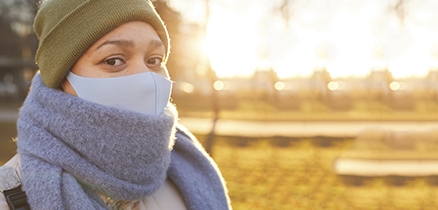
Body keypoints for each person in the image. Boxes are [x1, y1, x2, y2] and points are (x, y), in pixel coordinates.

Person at [0, 0, 231, 209]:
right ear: (61, 79)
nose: (147, 81)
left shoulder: (189, 168)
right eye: (113, 60)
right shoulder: (11, 196)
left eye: (154, 60)